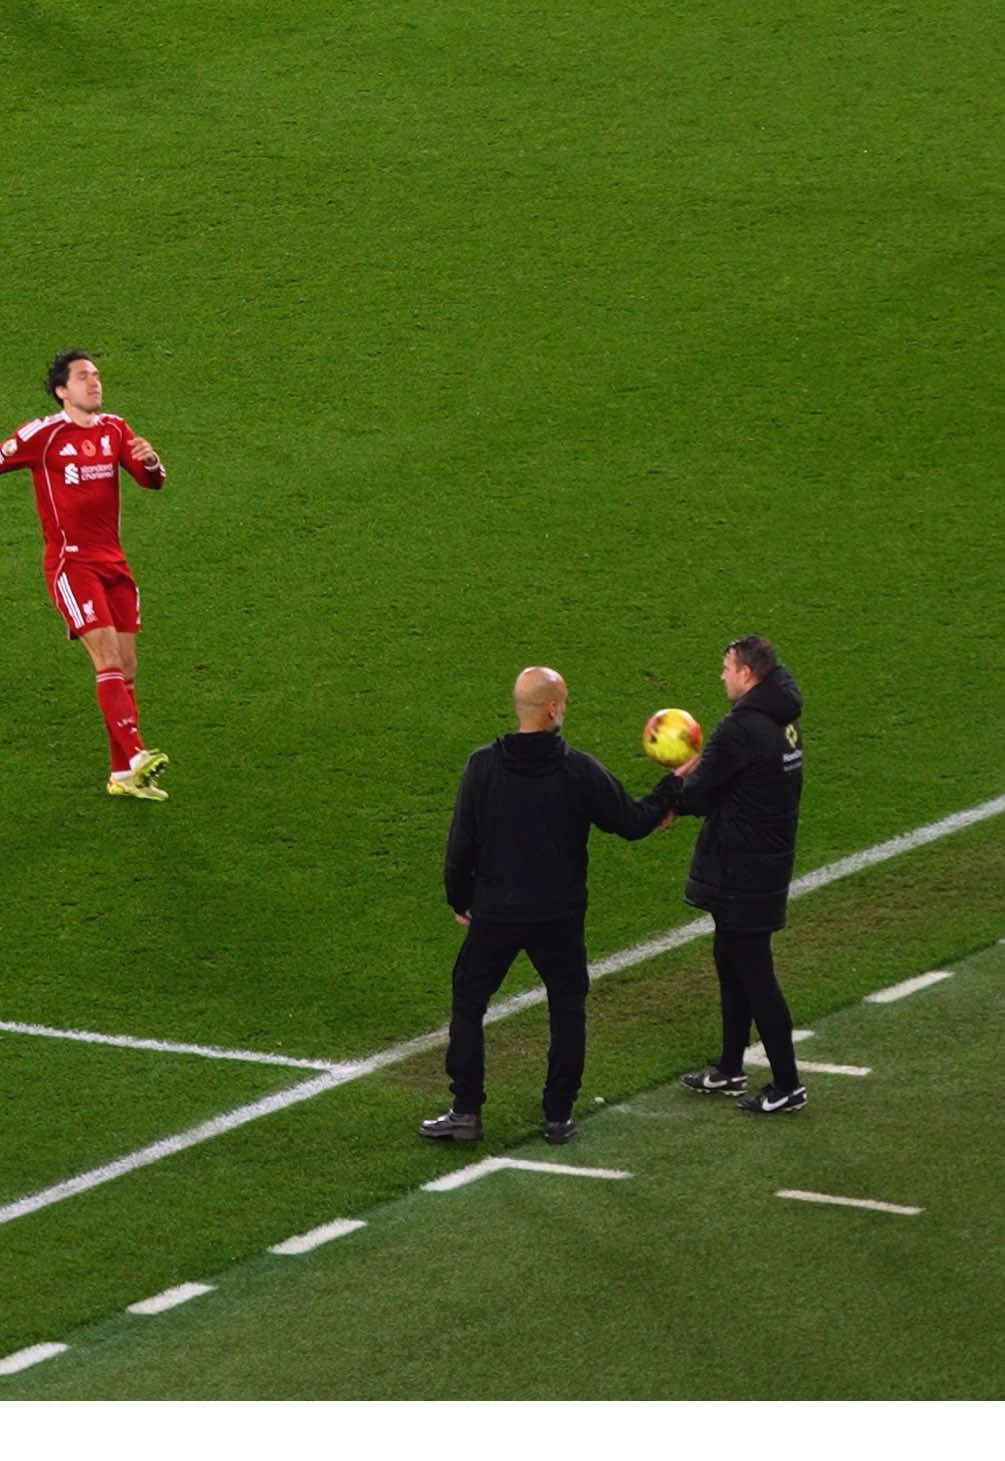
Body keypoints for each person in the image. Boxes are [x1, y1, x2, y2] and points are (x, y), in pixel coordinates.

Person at [420, 665, 680, 1146]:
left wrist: (460, 900)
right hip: (558, 916)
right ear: (553, 709)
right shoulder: (577, 770)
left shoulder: (482, 766)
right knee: (566, 1007)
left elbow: (459, 849)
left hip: (496, 912)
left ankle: (465, 1111)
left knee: (469, 1002)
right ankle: (558, 1116)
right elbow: (631, 821)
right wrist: (673, 785)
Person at [1, 351, 170, 800]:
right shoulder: (43, 435)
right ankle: (136, 753)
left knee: (126, 667)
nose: (94, 382)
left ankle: (122, 776)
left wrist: (151, 461)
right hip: (71, 564)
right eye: (82, 377)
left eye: (96, 375)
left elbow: (152, 482)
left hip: (114, 563)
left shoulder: (115, 429)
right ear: (62, 390)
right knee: (107, 657)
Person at [667, 635, 806, 1113]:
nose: (722, 675)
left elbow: (699, 795)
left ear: (747, 674)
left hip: (742, 867)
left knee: (754, 973)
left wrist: (672, 786)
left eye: (727, 667)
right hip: (767, 859)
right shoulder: (784, 720)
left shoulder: (740, 727)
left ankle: (787, 1084)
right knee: (730, 959)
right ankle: (730, 1068)